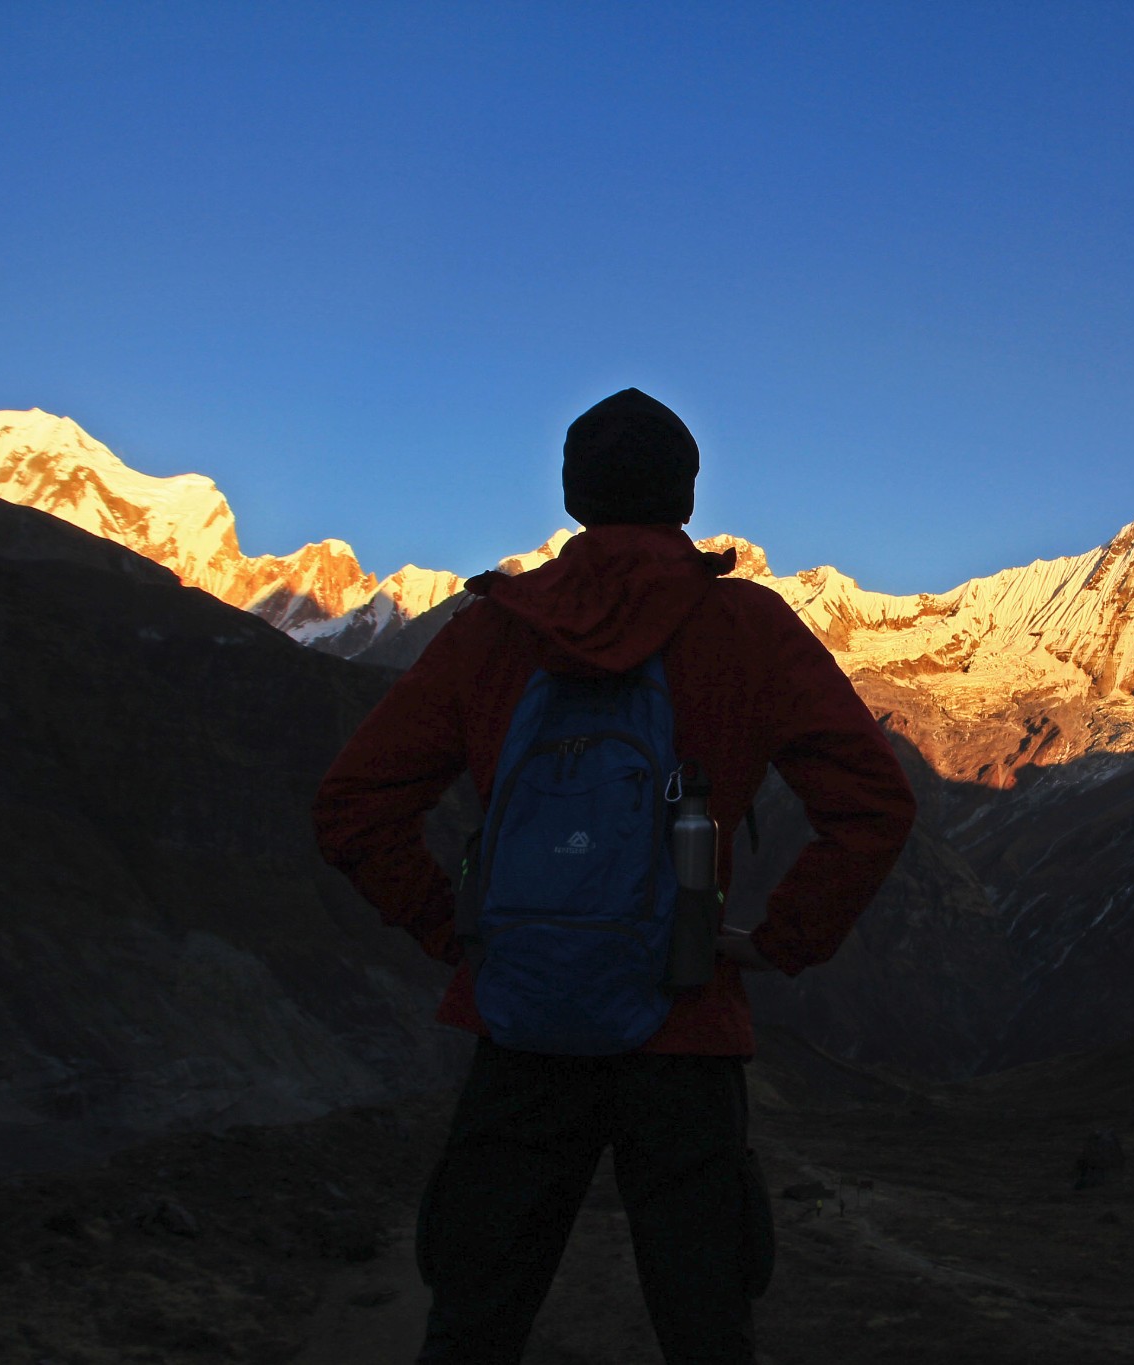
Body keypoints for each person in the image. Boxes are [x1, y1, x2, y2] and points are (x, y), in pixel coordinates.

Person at [311, 387, 917, 1364]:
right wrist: (778, 942)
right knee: (705, 1323)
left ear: (571, 495)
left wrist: (457, 932)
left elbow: (354, 806)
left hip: (518, 1018)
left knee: (473, 1319)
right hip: (684, 1019)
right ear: (686, 494)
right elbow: (872, 804)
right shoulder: (746, 629)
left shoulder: (492, 630)